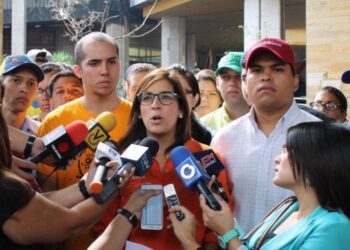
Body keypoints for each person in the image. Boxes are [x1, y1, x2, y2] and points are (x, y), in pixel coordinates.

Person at [94, 68, 231, 249]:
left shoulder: (206, 157)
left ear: (182, 109)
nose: (155, 105)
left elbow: (219, 229)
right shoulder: (120, 160)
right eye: (147, 98)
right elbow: (102, 223)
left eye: (166, 97)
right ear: (139, 111)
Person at [170, 122, 350, 250]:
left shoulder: (334, 227)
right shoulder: (289, 207)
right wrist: (222, 215)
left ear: (316, 164)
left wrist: (191, 240)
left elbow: (236, 243)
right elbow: (248, 245)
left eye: (287, 151)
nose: (277, 157)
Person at [0, 79, 133, 250]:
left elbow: (37, 203)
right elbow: (72, 224)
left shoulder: (10, 188)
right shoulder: (6, 188)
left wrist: (84, 187)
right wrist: (115, 185)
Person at [211, 38, 319, 232]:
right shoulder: (224, 139)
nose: (266, 77)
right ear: (244, 81)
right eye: (257, 70)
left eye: (277, 69)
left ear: (295, 80)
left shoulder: (320, 137)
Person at [37, 32, 132, 249]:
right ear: (78, 70)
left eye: (111, 62)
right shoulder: (56, 120)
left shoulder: (139, 117)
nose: (105, 71)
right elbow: (44, 193)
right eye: (94, 63)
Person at [201, 52, 250, 132]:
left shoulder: (267, 122)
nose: (232, 83)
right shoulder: (204, 126)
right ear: (217, 83)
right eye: (225, 77)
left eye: (238, 77)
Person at [168, 64, 213, 145]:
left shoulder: (205, 137)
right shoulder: (144, 139)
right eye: (167, 93)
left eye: (183, 91)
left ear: (195, 99)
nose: (176, 96)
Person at [1, 55, 44, 135]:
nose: (24, 89)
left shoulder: (42, 134)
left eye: (31, 83)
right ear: (1, 85)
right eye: (16, 80)